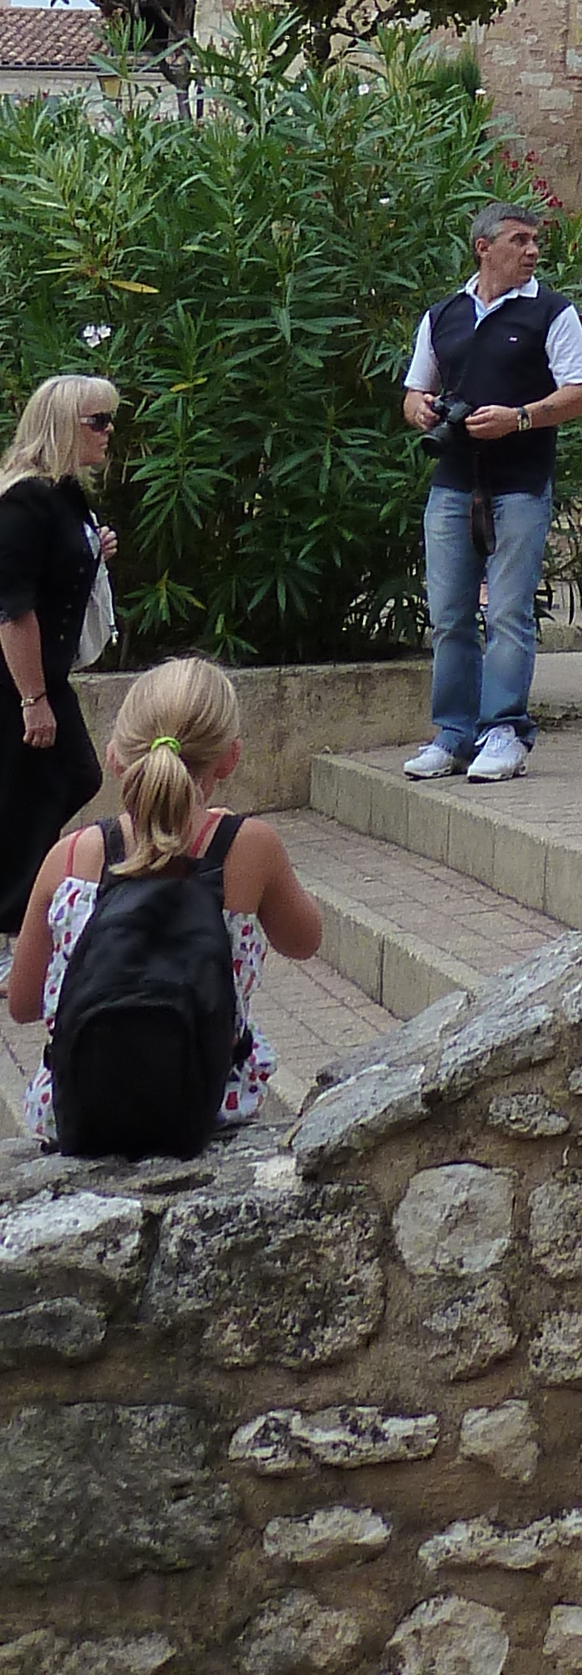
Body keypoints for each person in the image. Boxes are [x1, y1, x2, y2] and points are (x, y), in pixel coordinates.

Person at [9, 656, 321, 1153]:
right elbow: (305, 941)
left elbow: (24, 1005)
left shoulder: (68, 855)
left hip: (75, 1116)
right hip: (212, 1109)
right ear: (230, 758)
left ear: (115, 757)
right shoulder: (250, 846)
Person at [401, 201, 582, 782]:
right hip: (453, 483)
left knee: (509, 613)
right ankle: (454, 735)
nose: (533, 250)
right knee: (450, 615)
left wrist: (518, 418)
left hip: (520, 483)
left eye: (535, 240)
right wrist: (422, 411)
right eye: (519, 240)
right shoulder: (444, 316)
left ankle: (504, 731)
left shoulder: (552, 312)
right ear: (483, 247)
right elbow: (414, 392)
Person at [0, 374, 121, 934]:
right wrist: (33, 699)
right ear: (63, 426)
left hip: (44, 674)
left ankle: (25, 909)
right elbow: (13, 608)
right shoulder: (27, 498)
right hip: (18, 677)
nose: (109, 431)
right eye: (97, 421)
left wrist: (97, 548)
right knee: (43, 786)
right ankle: (13, 928)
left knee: (67, 778)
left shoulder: (65, 493)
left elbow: (64, 561)